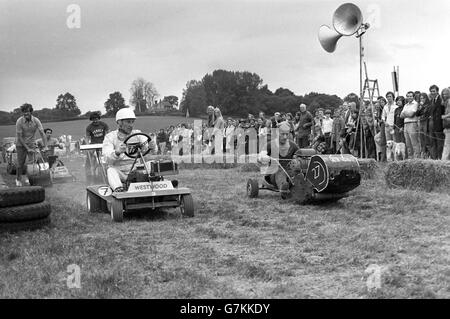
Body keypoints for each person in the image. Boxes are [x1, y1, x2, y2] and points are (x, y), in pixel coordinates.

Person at [102, 108, 157, 192]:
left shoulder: (137, 134)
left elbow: (151, 149)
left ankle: (157, 186)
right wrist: (117, 152)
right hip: (121, 172)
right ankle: (119, 190)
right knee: (110, 170)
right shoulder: (110, 137)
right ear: (119, 123)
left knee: (152, 164)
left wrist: (152, 146)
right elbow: (107, 158)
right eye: (128, 122)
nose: (131, 125)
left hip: (137, 171)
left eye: (132, 122)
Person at [259, 122, 299, 197]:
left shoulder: (293, 145)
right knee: (279, 171)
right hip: (273, 173)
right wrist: (264, 156)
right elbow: (260, 156)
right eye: (282, 134)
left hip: (289, 171)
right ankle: (283, 187)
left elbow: (300, 155)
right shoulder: (270, 144)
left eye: (287, 134)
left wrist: (297, 159)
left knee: (297, 172)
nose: (285, 137)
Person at [15, 103, 48, 187]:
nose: (25, 114)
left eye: (27, 112)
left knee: (31, 163)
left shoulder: (36, 120)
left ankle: (28, 178)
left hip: (32, 143)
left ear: (31, 112)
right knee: (20, 164)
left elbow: (42, 133)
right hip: (20, 144)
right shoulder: (19, 121)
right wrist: (27, 148)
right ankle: (18, 179)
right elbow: (19, 137)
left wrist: (45, 146)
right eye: (24, 112)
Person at [85, 111, 109, 179]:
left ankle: (107, 168)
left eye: (96, 119)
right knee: (93, 156)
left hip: (103, 144)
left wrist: (107, 142)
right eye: (93, 119)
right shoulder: (89, 127)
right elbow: (87, 137)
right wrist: (88, 145)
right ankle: (92, 169)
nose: (95, 121)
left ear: (99, 118)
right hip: (94, 144)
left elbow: (108, 134)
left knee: (106, 155)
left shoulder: (104, 124)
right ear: (91, 120)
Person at [400, 91, 420, 158]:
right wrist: (407, 113)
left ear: (413, 97)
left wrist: (405, 113)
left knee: (414, 142)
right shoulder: (405, 105)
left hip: (412, 123)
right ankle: (410, 158)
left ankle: (417, 158)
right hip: (405, 124)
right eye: (408, 96)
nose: (409, 97)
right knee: (408, 143)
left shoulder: (415, 104)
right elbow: (401, 115)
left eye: (411, 96)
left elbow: (411, 115)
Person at [428, 85, 445, 159]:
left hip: (439, 125)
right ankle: (434, 158)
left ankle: (440, 158)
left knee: (440, 143)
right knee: (432, 142)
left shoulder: (441, 99)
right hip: (432, 124)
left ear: (437, 91)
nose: (432, 92)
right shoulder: (432, 100)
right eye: (431, 91)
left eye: (434, 91)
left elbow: (442, 112)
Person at [416, 93, 432, 158]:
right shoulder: (420, 106)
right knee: (422, 139)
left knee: (427, 139)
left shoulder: (429, 105)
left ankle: (429, 155)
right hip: (421, 122)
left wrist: (422, 107)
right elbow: (417, 114)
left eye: (423, 98)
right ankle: (424, 155)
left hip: (426, 122)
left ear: (426, 98)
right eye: (421, 98)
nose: (422, 100)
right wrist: (420, 108)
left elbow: (428, 113)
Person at [440, 87, 450, 160]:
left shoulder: (449, 101)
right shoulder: (445, 102)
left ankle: (443, 161)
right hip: (446, 126)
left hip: (449, 126)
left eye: (446, 94)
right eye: (443, 94)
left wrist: (444, 116)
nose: (444, 95)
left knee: (447, 145)